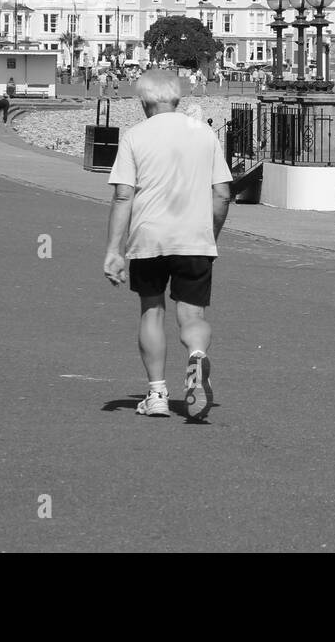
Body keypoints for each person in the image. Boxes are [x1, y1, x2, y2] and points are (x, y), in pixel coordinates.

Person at [103, 70, 232, 420]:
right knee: (192, 315)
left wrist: (114, 250)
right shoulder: (204, 134)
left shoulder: (135, 136)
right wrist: (211, 234)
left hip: (149, 237)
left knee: (152, 310)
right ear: (177, 99)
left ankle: (157, 393)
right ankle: (197, 354)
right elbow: (222, 194)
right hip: (195, 239)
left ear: (144, 101)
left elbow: (123, 195)